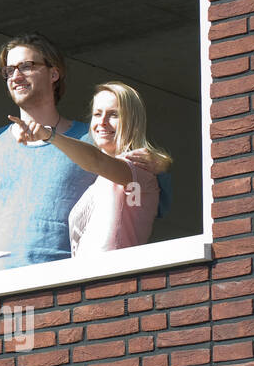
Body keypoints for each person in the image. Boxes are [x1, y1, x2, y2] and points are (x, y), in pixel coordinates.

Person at [0, 33, 168, 273]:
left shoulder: (91, 140)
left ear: (54, 73)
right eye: (9, 70)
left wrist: (159, 164)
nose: (15, 76)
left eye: (26, 66)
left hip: (62, 283)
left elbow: (143, 187)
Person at [9, 81, 171, 256]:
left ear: (132, 121)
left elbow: (96, 160)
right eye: (97, 114)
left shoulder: (139, 167)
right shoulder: (101, 180)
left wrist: (49, 135)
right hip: (90, 278)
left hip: (114, 277)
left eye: (114, 115)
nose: (102, 122)